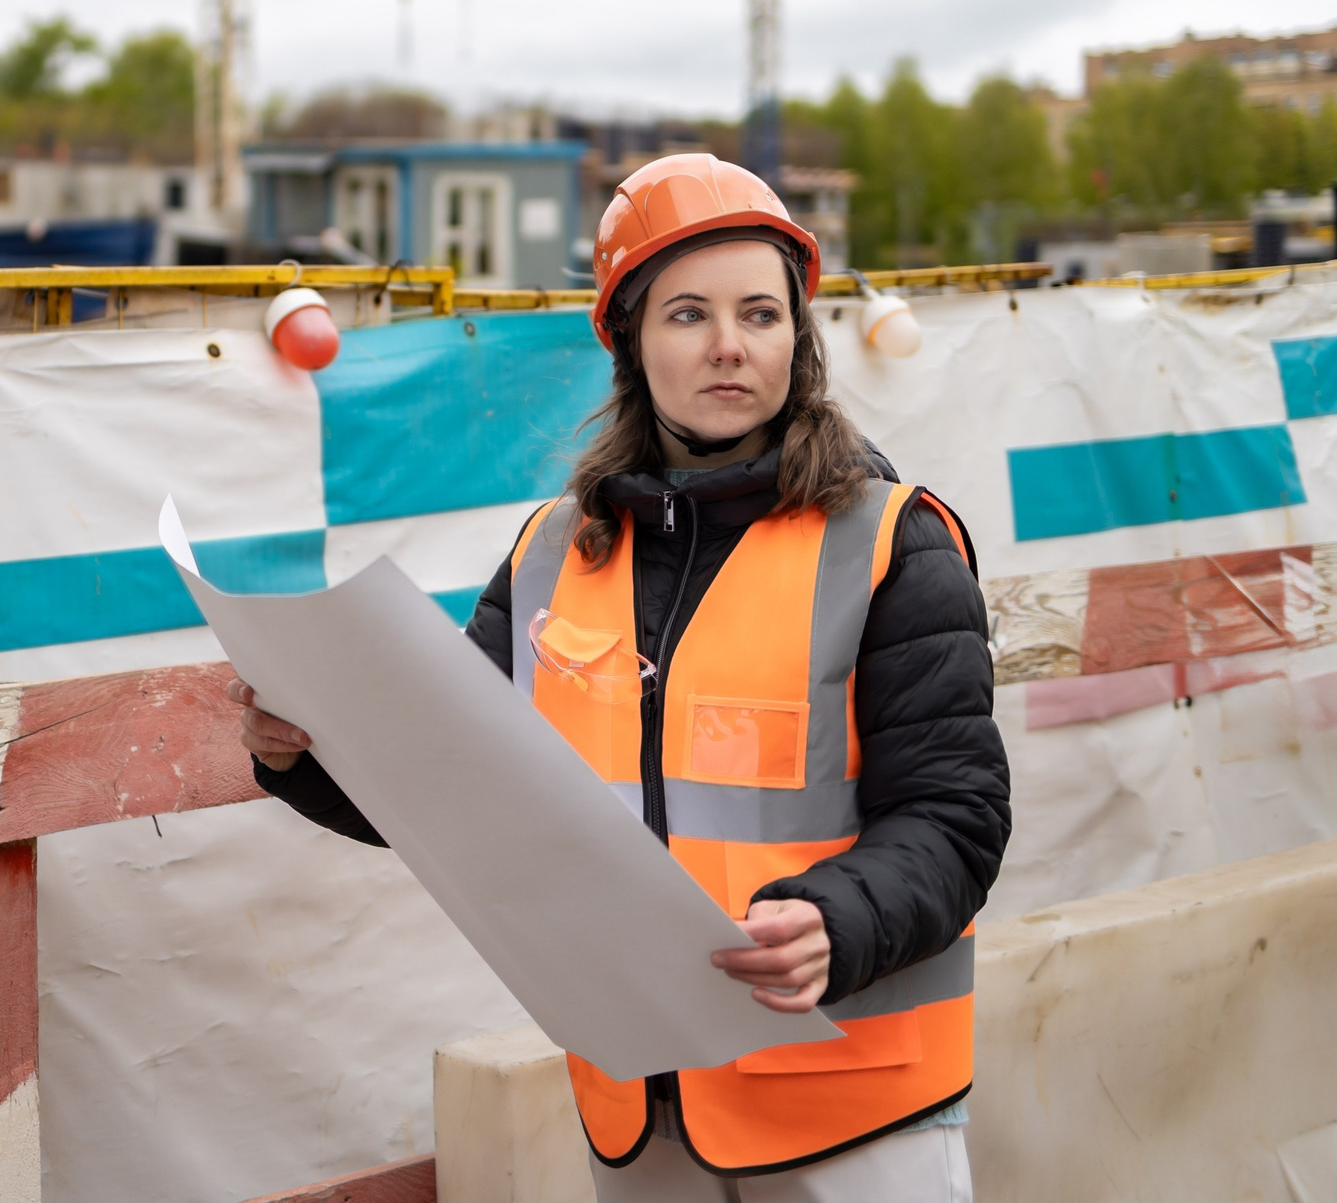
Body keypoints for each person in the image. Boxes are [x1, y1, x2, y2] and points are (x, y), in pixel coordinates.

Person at [233, 154, 1009, 1202]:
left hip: (852, 1104)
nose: (729, 345)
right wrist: (304, 755)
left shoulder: (892, 544)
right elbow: (453, 793)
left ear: (798, 335)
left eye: (761, 314)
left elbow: (954, 816)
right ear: (630, 341)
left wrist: (839, 918)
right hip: (644, 1107)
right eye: (689, 314)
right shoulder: (552, 556)